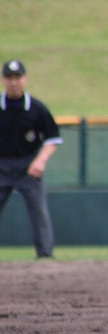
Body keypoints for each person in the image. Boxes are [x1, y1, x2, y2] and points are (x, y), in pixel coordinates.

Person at [0, 59, 62, 258]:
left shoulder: (36, 108)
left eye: (17, 77)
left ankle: (45, 255)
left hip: (28, 164)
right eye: (9, 78)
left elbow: (53, 138)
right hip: (1, 165)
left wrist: (40, 160)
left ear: (25, 79)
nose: (14, 82)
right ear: (3, 80)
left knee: (39, 212)